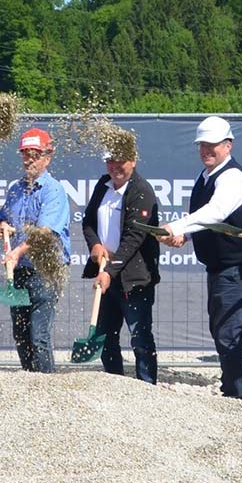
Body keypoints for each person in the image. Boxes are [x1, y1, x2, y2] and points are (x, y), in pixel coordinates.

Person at [163, 116, 242, 400]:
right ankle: (232, 391)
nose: (205, 150)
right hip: (223, 266)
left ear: (228, 145)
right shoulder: (205, 177)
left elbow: (216, 212)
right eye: (202, 145)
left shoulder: (233, 177)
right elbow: (209, 222)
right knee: (221, 327)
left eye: (212, 145)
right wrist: (185, 235)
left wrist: (177, 226)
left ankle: (237, 398)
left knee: (227, 331)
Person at [81, 147, 161, 383]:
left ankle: (147, 388)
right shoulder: (103, 185)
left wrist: (110, 271)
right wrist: (95, 245)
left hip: (134, 278)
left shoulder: (141, 190)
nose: (115, 166)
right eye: (110, 161)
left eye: (121, 161)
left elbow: (133, 237)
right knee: (106, 336)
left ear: (133, 161)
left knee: (140, 337)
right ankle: (115, 384)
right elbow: (88, 221)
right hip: (106, 273)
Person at [0, 128, 72, 373]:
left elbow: (44, 233)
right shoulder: (16, 189)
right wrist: (3, 226)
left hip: (45, 271)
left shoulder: (53, 190)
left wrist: (17, 252)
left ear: (47, 158)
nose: (29, 159)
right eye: (26, 154)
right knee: (20, 333)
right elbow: (4, 217)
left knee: (38, 334)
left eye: (35, 154)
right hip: (20, 271)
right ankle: (29, 383)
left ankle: (46, 385)